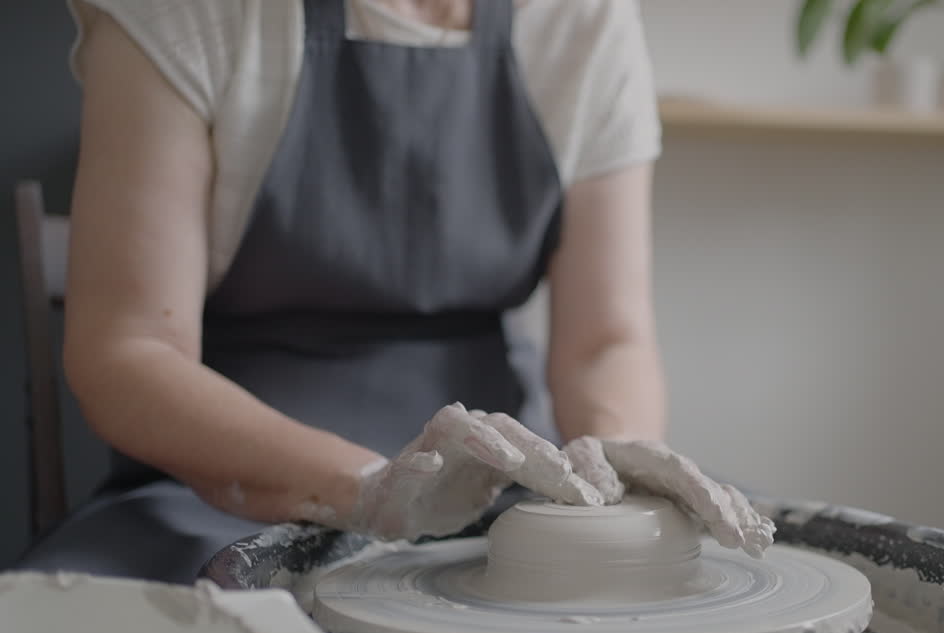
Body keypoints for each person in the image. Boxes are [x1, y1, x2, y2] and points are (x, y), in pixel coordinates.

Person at [17, 0, 772, 584]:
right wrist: (367, 488)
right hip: (223, 491)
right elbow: (127, 348)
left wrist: (613, 462)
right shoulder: (197, 13)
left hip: (506, 485)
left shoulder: (580, 20)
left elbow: (606, 338)